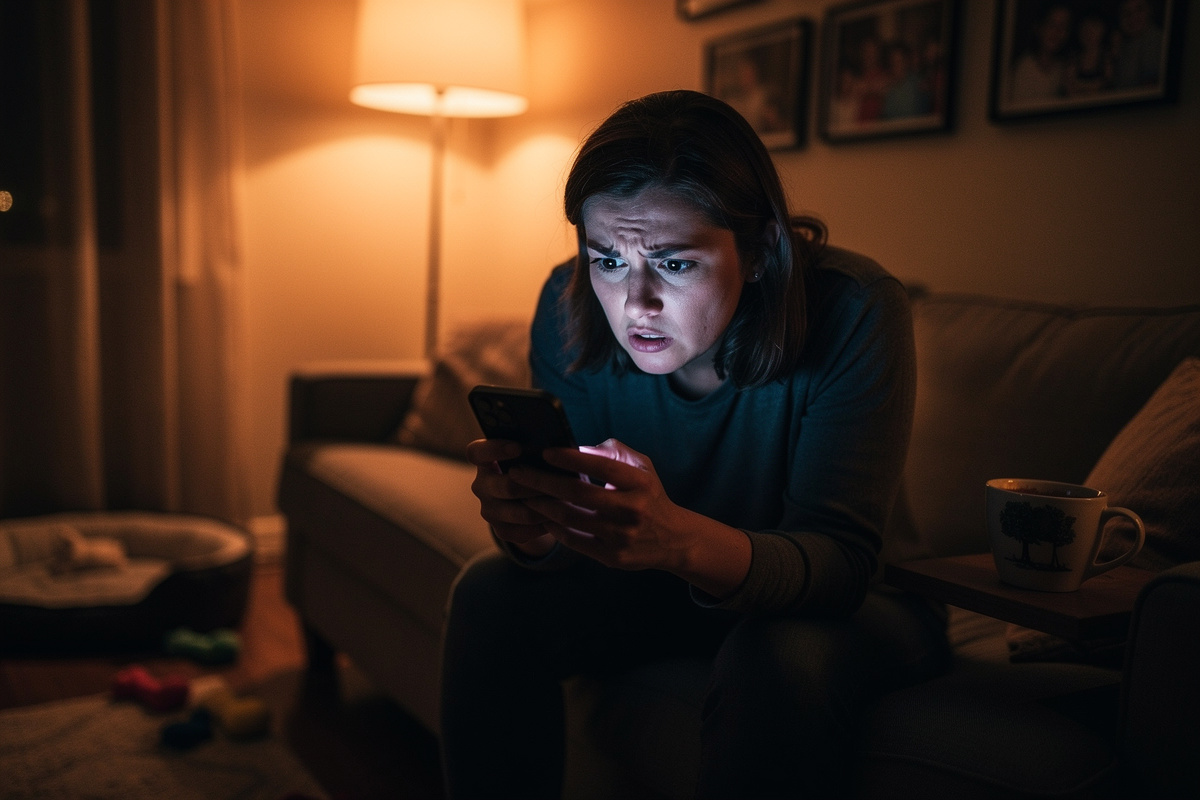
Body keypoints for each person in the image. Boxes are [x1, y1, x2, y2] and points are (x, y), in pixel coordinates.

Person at [439, 89, 950, 800]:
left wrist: (680, 542)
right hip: (659, 587)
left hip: (855, 605)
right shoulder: (568, 303)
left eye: (675, 265)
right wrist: (533, 529)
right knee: (491, 593)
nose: (634, 302)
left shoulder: (856, 309)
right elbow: (578, 538)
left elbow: (841, 561)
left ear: (764, 248)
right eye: (607, 258)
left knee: (773, 654)